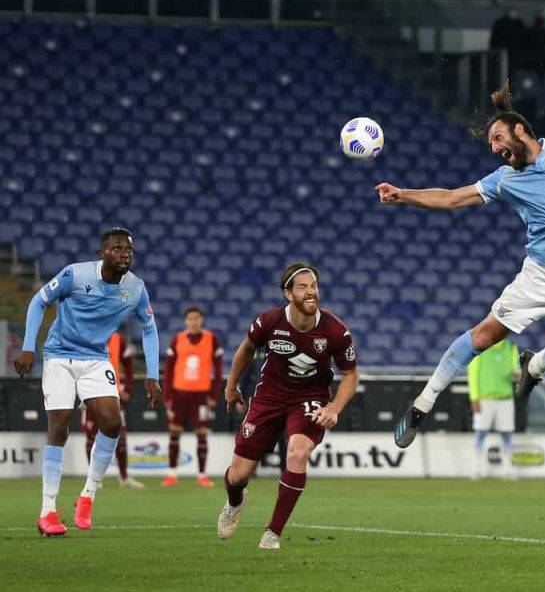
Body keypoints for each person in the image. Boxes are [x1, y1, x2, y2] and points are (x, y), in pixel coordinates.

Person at [376, 79, 545, 449]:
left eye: (497, 137)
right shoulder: (506, 180)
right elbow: (450, 198)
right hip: (541, 276)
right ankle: (421, 405)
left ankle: (535, 366)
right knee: (484, 336)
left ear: (520, 130)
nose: (494, 148)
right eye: (491, 143)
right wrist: (403, 195)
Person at [11, 227, 161, 536]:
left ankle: (88, 494)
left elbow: (149, 329)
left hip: (95, 359)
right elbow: (39, 302)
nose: (124, 254)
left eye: (128, 250)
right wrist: (28, 347)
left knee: (111, 422)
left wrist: (153, 375)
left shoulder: (135, 288)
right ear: (102, 252)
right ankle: (48, 510)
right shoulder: (74, 275)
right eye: (117, 249)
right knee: (61, 424)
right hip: (59, 356)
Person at [218, 262, 358, 550]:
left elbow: (351, 374)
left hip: (309, 399)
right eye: (303, 287)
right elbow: (246, 348)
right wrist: (231, 386)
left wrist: (334, 409)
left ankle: (273, 533)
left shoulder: (336, 331)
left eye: (314, 286)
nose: (311, 292)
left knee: (297, 453)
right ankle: (235, 500)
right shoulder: (268, 321)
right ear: (288, 293)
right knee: (239, 475)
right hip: (269, 397)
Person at [162, 306, 224, 488]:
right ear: (185, 321)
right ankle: (172, 473)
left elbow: (219, 370)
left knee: (202, 433)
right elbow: (168, 370)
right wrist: (167, 396)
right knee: (174, 432)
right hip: (179, 394)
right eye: (190, 318)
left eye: (197, 318)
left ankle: (202, 474)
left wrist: (214, 394)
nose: (194, 321)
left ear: (201, 320)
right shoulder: (177, 339)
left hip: (201, 395)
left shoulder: (212, 339)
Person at [81, 329, 144, 489]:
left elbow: (129, 364)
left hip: (112, 394)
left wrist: (128, 388)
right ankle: (94, 478)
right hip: (90, 393)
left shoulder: (117, 339)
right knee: (91, 436)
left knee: (120, 436)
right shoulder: (84, 335)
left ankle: (124, 477)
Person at [468, 338, 518, 480]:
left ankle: (508, 471)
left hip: (505, 399)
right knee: (480, 434)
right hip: (484, 399)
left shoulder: (511, 347)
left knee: (506, 435)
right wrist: (474, 398)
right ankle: (477, 470)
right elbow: (473, 374)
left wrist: (518, 373)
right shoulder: (480, 347)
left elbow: (515, 370)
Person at [489, 4, 528, 70]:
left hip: (516, 56)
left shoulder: (519, 24)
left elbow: (524, 39)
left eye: (514, 10)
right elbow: (494, 41)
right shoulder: (500, 23)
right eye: (512, 10)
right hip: (503, 55)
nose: (513, 12)